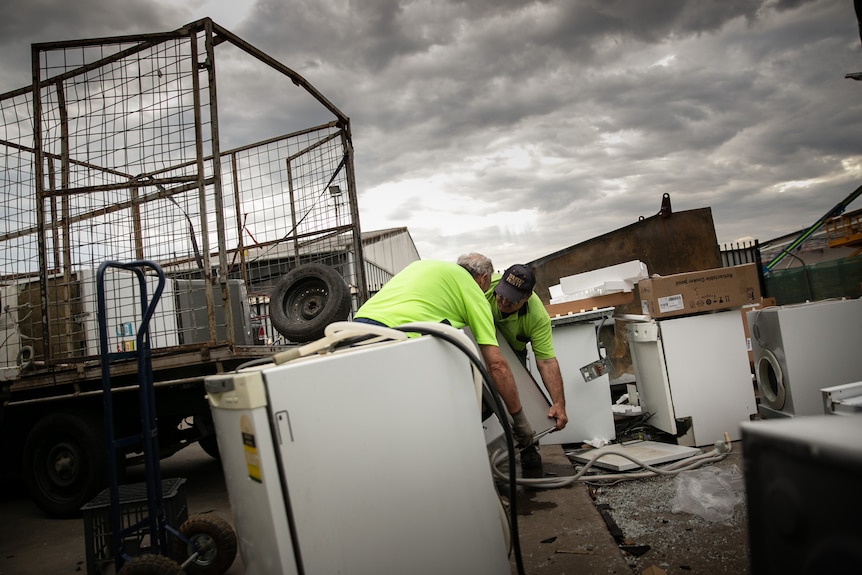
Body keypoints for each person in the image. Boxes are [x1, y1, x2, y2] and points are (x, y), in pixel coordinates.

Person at [353, 254, 539, 450]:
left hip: (354, 332)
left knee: (372, 424)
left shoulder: (423, 267)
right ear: (484, 278)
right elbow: (496, 365)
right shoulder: (473, 291)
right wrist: (520, 422)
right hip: (394, 344)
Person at [483, 262, 568, 468]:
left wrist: (559, 403)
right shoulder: (484, 286)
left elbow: (547, 362)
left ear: (526, 298)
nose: (502, 302)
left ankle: (529, 446)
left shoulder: (537, 318)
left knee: (518, 392)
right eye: (500, 295)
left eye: (510, 300)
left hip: (512, 350)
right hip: (480, 340)